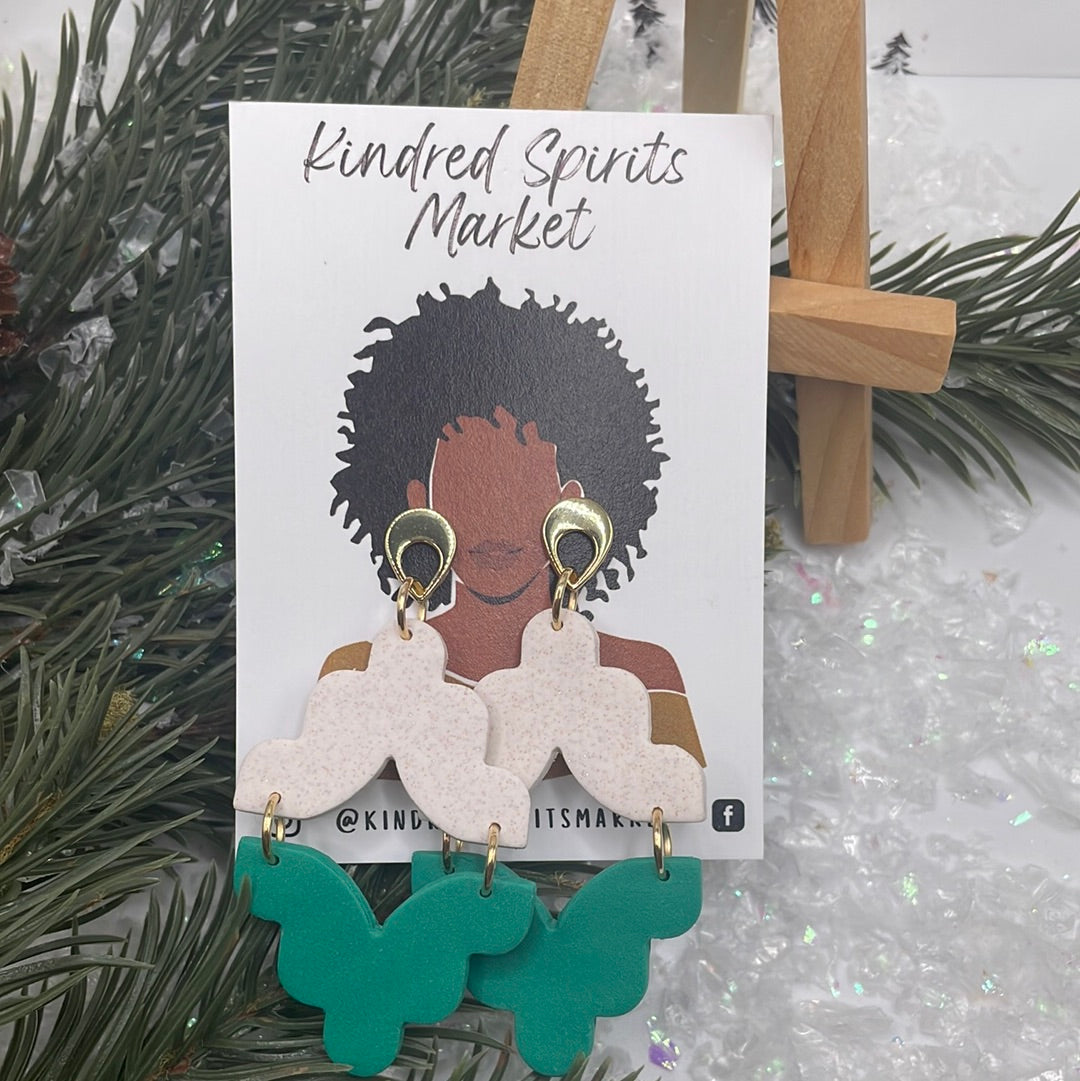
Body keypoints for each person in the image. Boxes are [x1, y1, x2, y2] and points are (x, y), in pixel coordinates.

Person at [324, 279, 704, 768]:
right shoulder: (360, 672)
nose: (494, 520)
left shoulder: (643, 676)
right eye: (468, 487)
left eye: (519, 488)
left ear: (571, 504)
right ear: (421, 503)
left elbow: (679, 796)